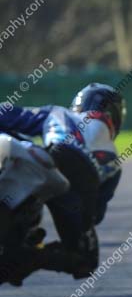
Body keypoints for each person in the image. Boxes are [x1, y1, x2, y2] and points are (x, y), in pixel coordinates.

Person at [0, 83, 125, 283]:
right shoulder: (113, 160)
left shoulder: (59, 114)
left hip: (57, 156)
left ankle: (22, 248)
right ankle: (31, 256)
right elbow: (94, 216)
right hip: (81, 180)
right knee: (86, 259)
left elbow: (10, 116)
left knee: (37, 172)